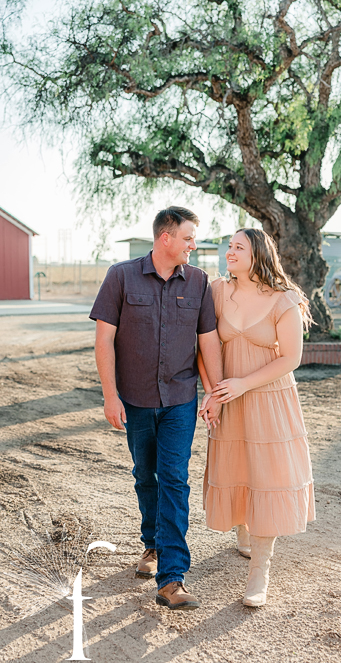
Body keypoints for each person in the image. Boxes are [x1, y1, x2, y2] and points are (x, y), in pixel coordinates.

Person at [90, 206, 224, 611]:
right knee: (144, 476)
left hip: (180, 400)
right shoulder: (121, 276)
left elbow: (209, 342)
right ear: (166, 238)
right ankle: (151, 544)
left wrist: (214, 393)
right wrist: (110, 395)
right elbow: (103, 342)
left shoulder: (199, 282)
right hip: (135, 399)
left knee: (173, 479)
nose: (193, 245)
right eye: (188, 238)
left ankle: (172, 577)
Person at [197, 228, 316, 607]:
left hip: (268, 398)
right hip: (229, 397)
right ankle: (244, 532)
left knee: (268, 476)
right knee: (237, 470)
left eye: (238, 247)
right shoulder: (216, 291)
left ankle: (259, 572)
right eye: (228, 246)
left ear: (258, 254)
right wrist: (213, 393)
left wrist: (243, 384)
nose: (229, 252)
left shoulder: (284, 299)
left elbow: (291, 358)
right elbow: (205, 345)